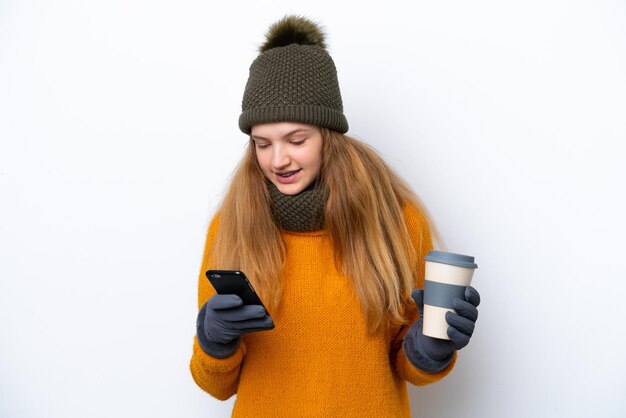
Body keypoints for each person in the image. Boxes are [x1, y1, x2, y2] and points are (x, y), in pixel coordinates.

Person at [189, 15, 481, 417]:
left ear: (329, 134)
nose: (278, 160)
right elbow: (214, 385)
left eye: (296, 139)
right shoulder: (232, 226)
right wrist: (213, 341)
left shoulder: (397, 222)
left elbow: (410, 368)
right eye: (262, 143)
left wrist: (431, 346)